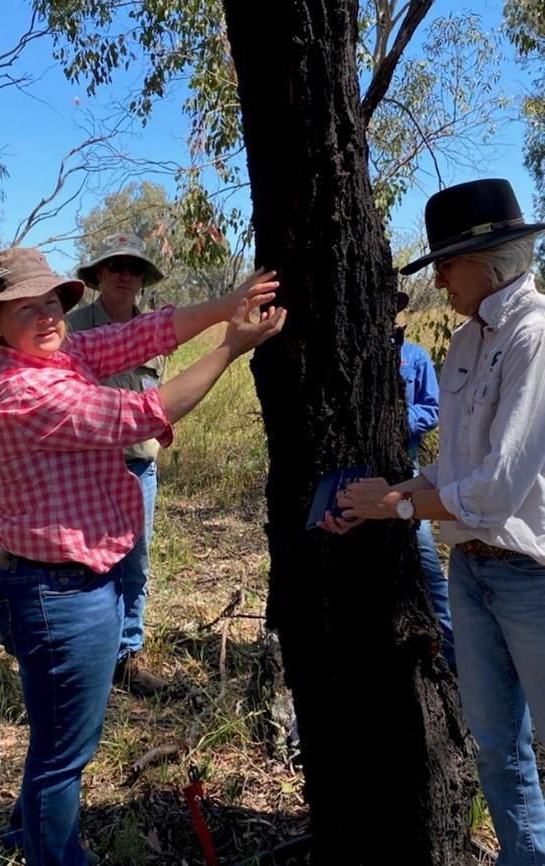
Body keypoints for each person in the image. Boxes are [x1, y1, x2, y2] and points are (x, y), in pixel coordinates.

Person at [0, 245, 286, 866]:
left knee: (57, 734)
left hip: (74, 582)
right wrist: (230, 347)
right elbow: (143, 411)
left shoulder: (57, 356)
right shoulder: (22, 390)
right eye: (26, 308)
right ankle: (54, 856)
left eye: (53, 300)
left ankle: (22, 831)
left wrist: (227, 304)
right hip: (59, 592)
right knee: (66, 752)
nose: (49, 314)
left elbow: (141, 333)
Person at [320, 178, 545, 866]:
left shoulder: (535, 339)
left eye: (447, 262)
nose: (440, 278)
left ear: (491, 258)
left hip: (533, 577)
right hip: (474, 570)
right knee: (496, 745)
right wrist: (385, 495)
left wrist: (402, 505)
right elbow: (454, 474)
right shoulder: (469, 344)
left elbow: (499, 486)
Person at [67, 232, 168, 697]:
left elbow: (155, 397)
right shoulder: (72, 329)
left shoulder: (156, 334)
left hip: (140, 465)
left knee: (136, 561)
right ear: (99, 275)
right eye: (116, 266)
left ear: (143, 280)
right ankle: (91, 654)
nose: (126, 275)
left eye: (134, 268)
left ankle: (127, 655)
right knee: (89, 559)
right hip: (89, 466)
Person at [396, 290, 455, 670]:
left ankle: (454, 654)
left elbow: (432, 410)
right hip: (354, 473)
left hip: (406, 471)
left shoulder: (415, 357)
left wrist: (396, 419)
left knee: (427, 562)